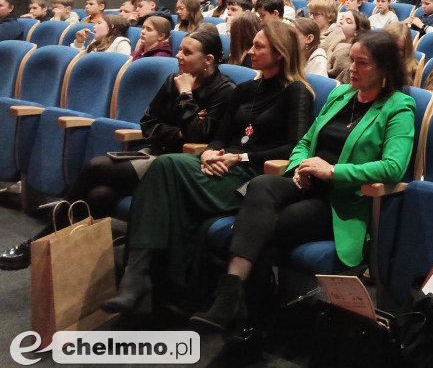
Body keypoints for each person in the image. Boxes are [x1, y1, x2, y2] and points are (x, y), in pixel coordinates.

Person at [189, 30, 414, 333]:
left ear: (385, 69)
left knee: (268, 225)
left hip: (340, 200)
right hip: (305, 183)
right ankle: (233, 296)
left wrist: (332, 171)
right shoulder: (340, 94)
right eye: (352, 61)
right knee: (260, 186)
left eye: (362, 64)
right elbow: (304, 142)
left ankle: (244, 315)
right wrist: (299, 167)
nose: (352, 69)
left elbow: (393, 168)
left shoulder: (399, 106)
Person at [102, 22, 313, 314]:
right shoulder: (246, 89)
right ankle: (143, 279)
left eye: (259, 47)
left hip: (253, 175)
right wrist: (209, 154)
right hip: (219, 164)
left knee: (166, 170)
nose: (250, 51)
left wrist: (238, 159)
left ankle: (144, 280)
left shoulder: (297, 91)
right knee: (165, 167)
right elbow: (219, 136)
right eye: (252, 44)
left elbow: (293, 147)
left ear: (280, 53)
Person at [0, 27, 237, 271]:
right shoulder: (172, 80)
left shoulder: (224, 90)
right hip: (155, 153)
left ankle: (38, 244)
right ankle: (74, 265)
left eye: (187, 53)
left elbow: (200, 135)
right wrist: (176, 132)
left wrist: (186, 96)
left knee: (95, 167)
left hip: (181, 166)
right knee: (98, 195)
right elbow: (148, 123)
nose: (178, 56)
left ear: (208, 60)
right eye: (179, 50)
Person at [328, 9, 372, 83]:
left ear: (357, 31)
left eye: (348, 22)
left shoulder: (352, 53)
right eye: (342, 18)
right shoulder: (329, 40)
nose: (341, 21)